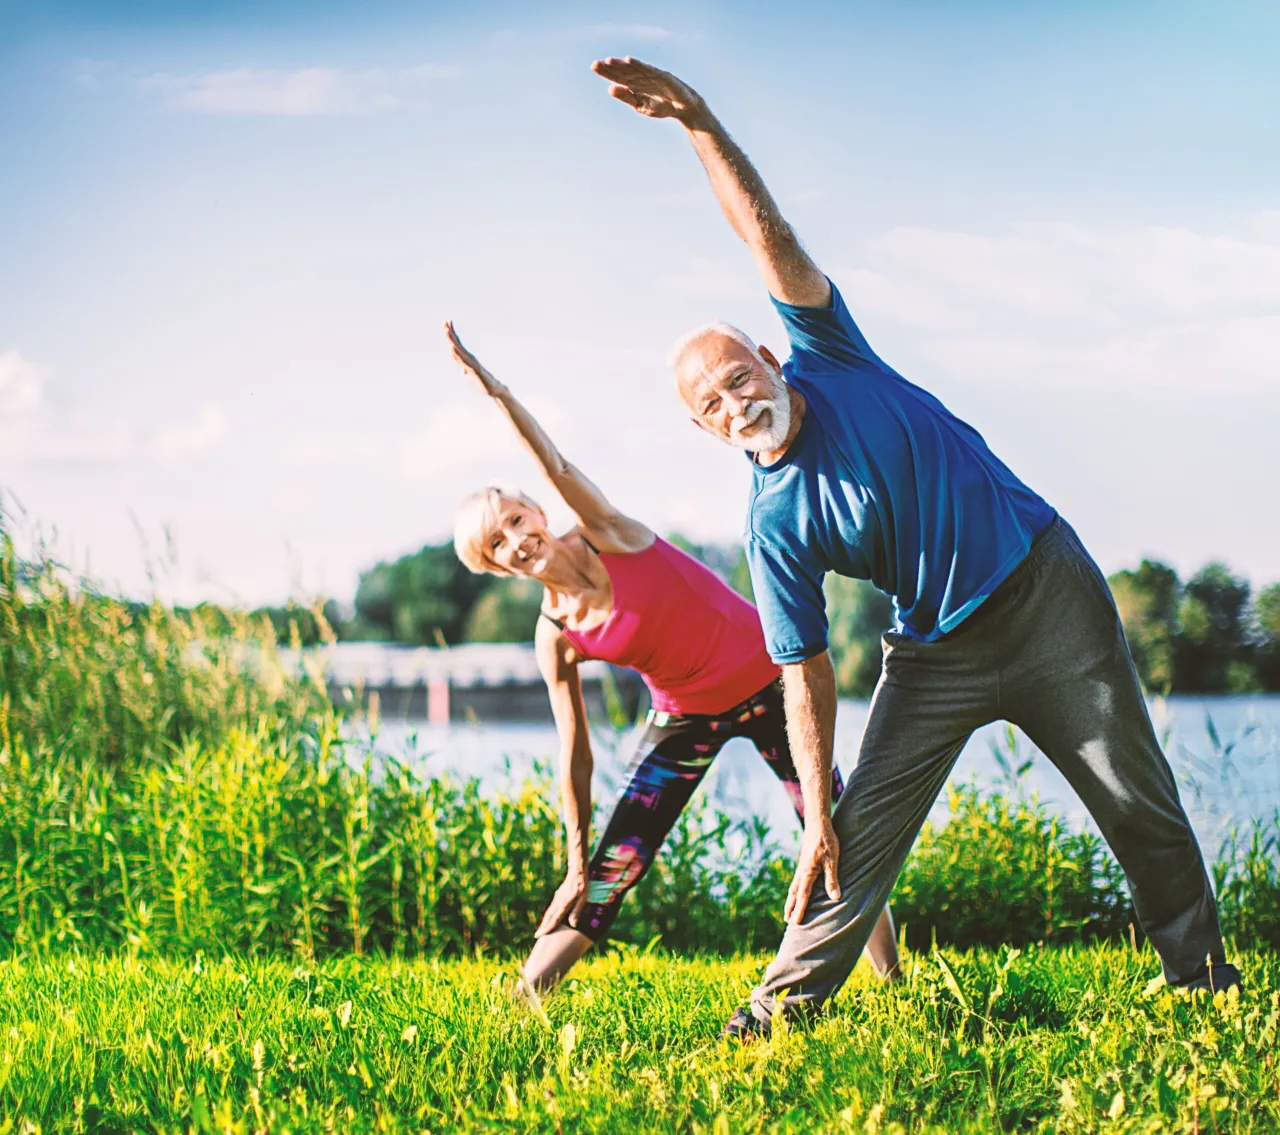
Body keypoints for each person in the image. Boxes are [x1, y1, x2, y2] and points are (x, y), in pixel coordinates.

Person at [590, 56, 1244, 1037]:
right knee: (844, 842)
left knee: (1133, 800)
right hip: (932, 652)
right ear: (704, 428)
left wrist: (696, 120)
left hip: (1045, 595)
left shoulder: (829, 351)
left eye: (739, 376)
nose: (737, 401)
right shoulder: (774, 525)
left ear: (767, 358)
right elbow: (800, 674)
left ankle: (1203, 980)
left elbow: (765, 236)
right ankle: (771, 1015)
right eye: (712, 402)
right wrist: (813, 805)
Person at [444, 321, 901, 992]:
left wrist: (497, 392)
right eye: (497, 544)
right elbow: (575, 751)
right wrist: (576, 861)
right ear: (495, 567)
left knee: (832, 826)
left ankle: (893, 984)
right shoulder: (557, 633)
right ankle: (521, 997)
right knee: (612, 864)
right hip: (687, 716)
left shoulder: (609, 533)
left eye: (515, 520)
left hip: (773, 684)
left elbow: (556, 465)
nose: (516, 539)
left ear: (536, 512)